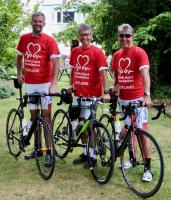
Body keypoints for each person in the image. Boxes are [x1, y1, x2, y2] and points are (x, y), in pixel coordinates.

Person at [16, 12, 60, 165]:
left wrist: (54, 83)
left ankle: (48, 151)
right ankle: (37, 148)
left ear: (44, 23)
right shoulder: (24, 38)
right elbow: (19, 57)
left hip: (45, 84)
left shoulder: (49, 40)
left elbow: (56, 63)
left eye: (40, 21)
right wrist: (19, 73)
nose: (38, 23)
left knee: (46, 116)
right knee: (34, 116)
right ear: (31, 22)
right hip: (31, 84)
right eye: (35, 21)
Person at [111, 23, 153, 182]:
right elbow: (117, 76)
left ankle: (147, 168)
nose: (124, 38)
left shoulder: (139, 52)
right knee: (128, 131)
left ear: (132, 37)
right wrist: (113, 87)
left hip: (138, 99)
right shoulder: (116, 55)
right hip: (123, 99)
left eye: (127, 35)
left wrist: (146, 95)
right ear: (118, 37)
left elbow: (145, 75)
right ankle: (132, 159)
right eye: (121, 35)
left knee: (142, 133)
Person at [69, 24, 110, 167]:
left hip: (91, 95)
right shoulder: (75, 51)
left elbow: (104, 74)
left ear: (91, 36)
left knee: (89, 125)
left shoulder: (97, 52)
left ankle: (92, 156)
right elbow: (73, 70)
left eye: (87, 34)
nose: (85, 37)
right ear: (78, 36)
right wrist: (71, 84)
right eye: (82, 34)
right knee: (81, 125)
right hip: (78, 94)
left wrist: (106, 93)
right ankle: (86, 153)